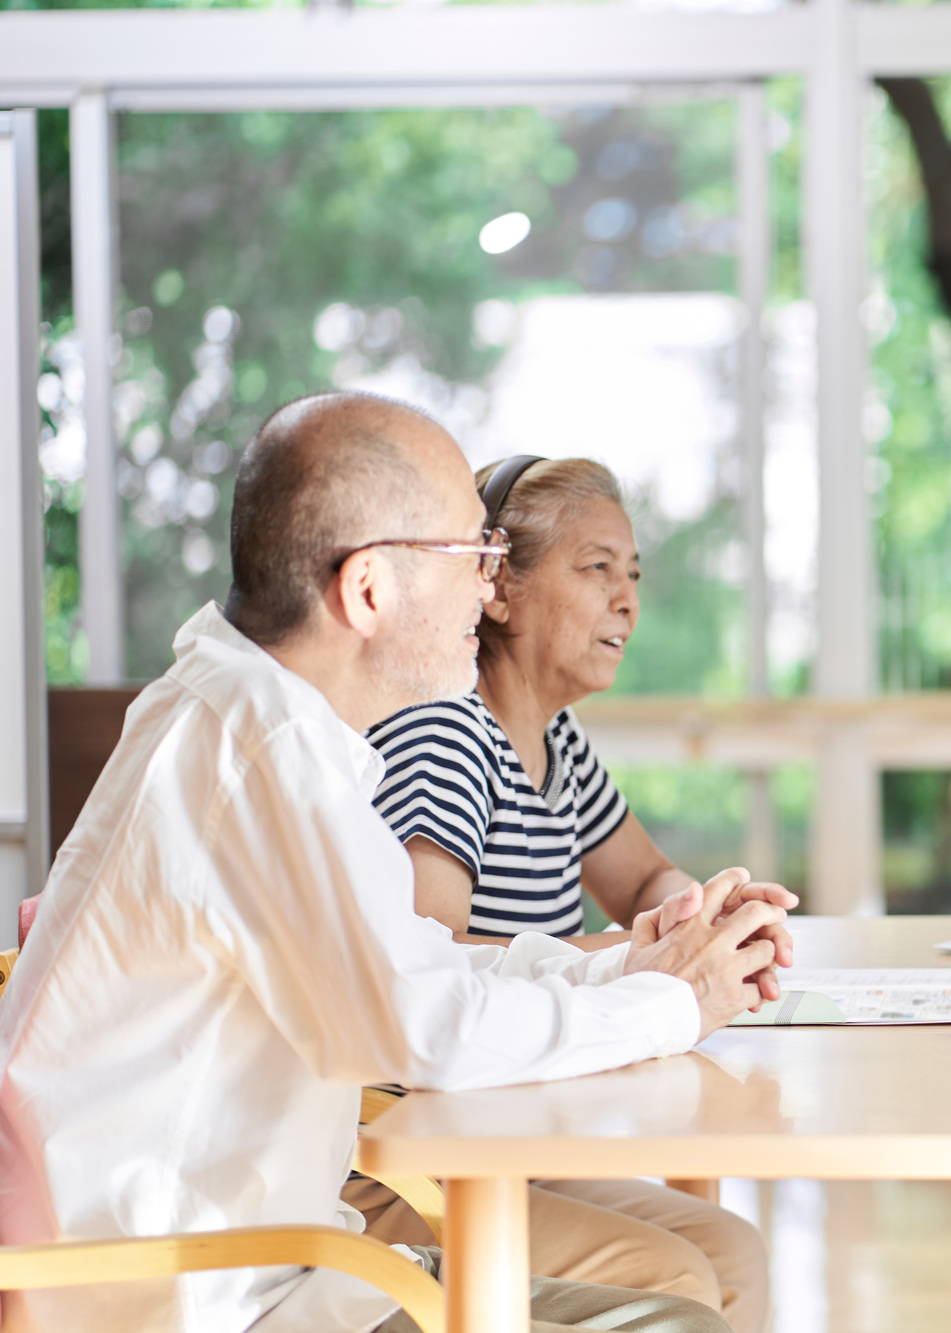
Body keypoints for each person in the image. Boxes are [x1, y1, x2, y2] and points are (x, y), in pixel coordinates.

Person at [0, 391, 784, 1333]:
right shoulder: (265, 756)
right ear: (369, 587)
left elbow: (411, 962)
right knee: (680, 1318)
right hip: (199, 1292)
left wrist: (628, 964)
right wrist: (674, 1003)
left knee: (691, 1290)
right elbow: (424, 1027)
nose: (488, 587)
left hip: (268, 1254)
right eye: (471, 553)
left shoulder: (254, 721)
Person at [355, 455, 779, 1332]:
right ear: (498, 586)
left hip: (506, 1119)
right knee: (674, 1277)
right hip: (416, 1146)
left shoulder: (556, 741)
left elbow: (641, 879)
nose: (627, 599)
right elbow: (428, 967)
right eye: (596, 569)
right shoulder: (447, 735)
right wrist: (649, 963)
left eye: (633, 575)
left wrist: (703, 914)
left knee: (733, 1251)